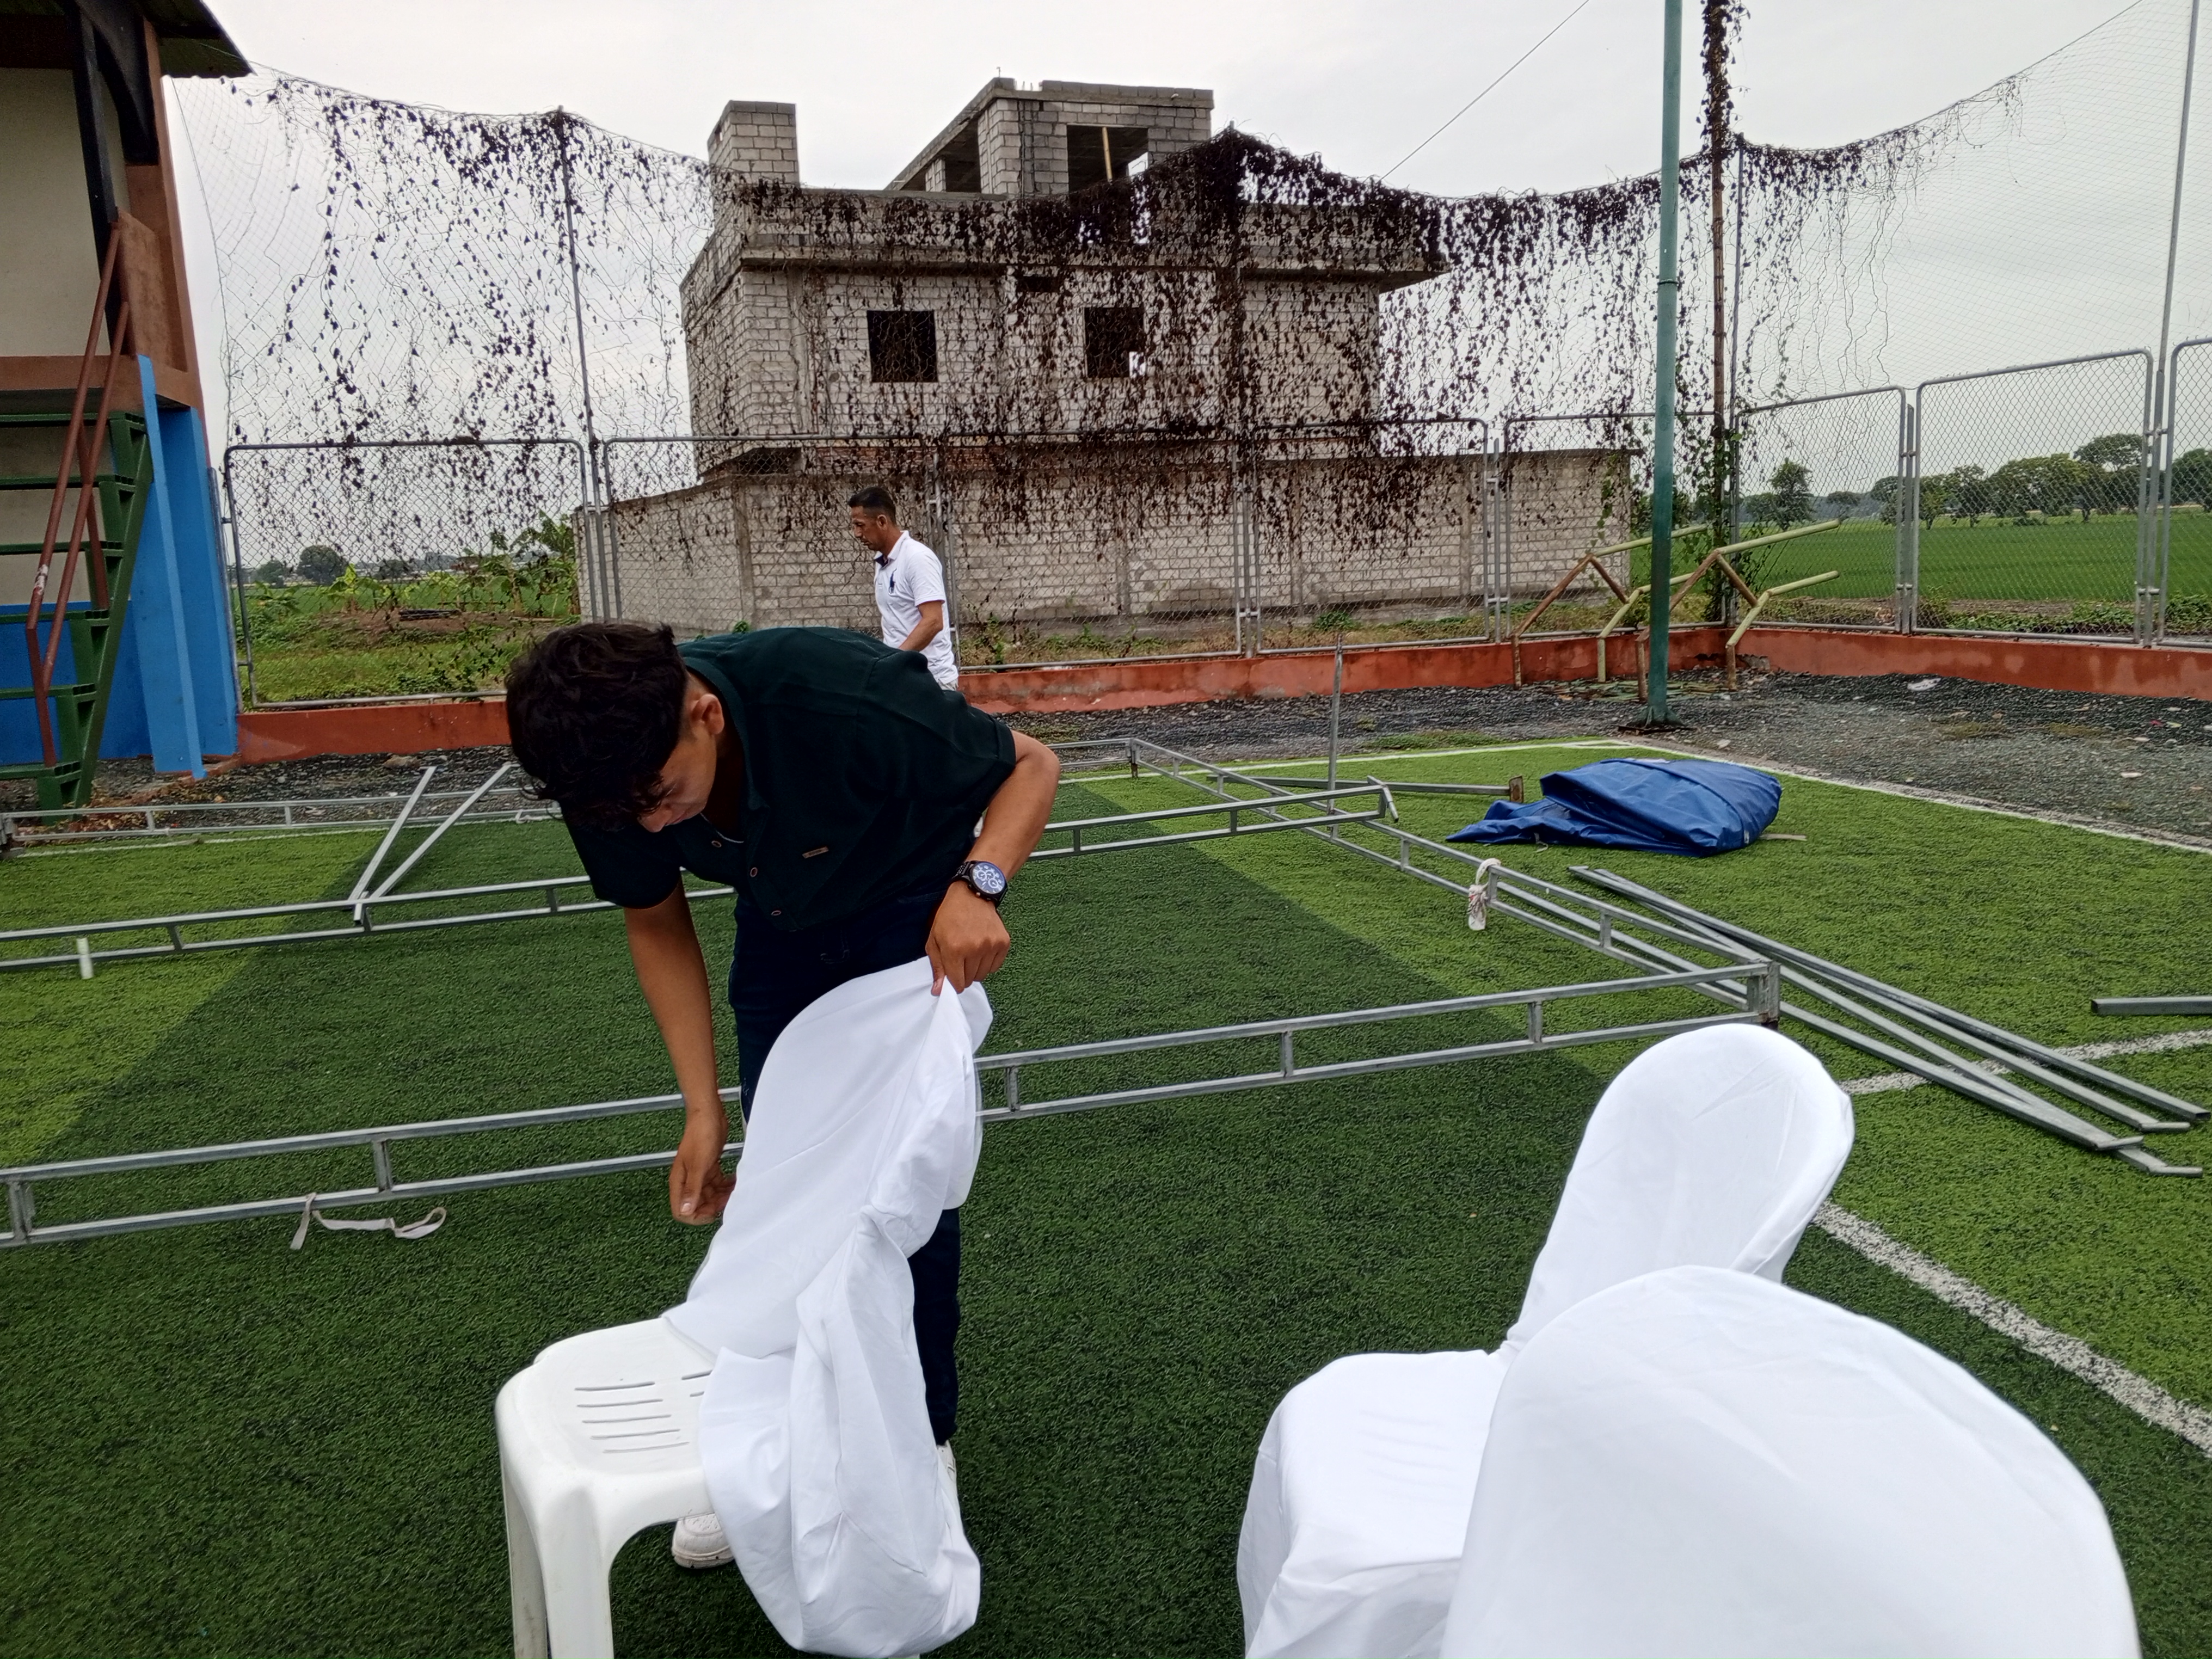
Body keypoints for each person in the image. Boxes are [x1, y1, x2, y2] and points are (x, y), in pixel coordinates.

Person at [503, 619, 1060, 1570]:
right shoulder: (607, 765)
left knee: (902, 1200)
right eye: (626, 812)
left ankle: (920, 1442)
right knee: (780, 1195)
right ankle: (771, 1435)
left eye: (660, 798)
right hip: (783, 931)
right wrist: (702, 1107)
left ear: (705, 715)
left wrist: (979, 885)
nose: (649, 826)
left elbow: (1032, 766)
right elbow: (654, 919)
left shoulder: (839, 695)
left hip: (910, 931)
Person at [850, 484, 960, 690]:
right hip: (901, 678)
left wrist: (895, 660)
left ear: (882, 521)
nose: (857, 533)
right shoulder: (883, 561)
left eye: (860, 525)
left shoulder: (917, 558)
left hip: (931, 682)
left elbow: (934, 621)